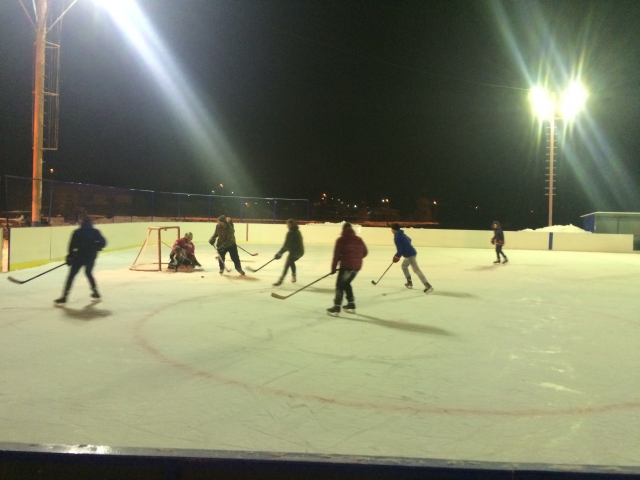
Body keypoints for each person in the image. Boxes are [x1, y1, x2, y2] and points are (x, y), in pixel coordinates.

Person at [54, 215, 107, 305]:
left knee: (71, 276)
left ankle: (64, 297)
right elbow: (103, 243)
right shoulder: (95, 232)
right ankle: (96, 292)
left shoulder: (77, 232)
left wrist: (70, 256)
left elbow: (71, 246)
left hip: (78, 257)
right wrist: (97, 247)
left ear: (81, 222)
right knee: (88, 273)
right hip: (90, 257)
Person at [327, 222, 368, 316]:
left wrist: (333, 268)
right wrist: (357, 258)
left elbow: (336, 256)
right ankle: (351, 304)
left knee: (340, 285)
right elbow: (365, 252)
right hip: (357, 267)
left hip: (346, 266)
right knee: (346, 284)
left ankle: (336, 307)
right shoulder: (359, 239)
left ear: (343, 230)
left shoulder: (341, 240)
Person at [390, 223, 434, 294]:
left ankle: (427, 285)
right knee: (404, 266)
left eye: (391, 229)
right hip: (411, 253)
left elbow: (400, 251)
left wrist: (396, 257)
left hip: (409, 255)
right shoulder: (402, 234)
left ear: (393, 230)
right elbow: (410, 239)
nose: (391, 230)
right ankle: (409, 282)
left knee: (416, 270)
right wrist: (407, 246)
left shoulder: (397, 237)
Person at [273, 219, 304, 286]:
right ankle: (294, 276)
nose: (287, 226)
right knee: (291, 261)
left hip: (295, 252)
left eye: (288, 224)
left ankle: (280, 280)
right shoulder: (298, 231)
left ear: (291, 225)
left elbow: (286, 245)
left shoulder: (290, 233)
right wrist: (281, 252)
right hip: (300, 252)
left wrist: (280, 253)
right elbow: (289, 245)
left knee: (287, 264)